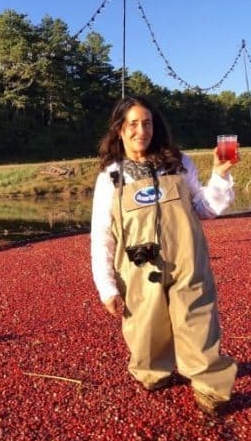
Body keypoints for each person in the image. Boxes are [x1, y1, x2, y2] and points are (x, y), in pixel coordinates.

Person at [90, 95, 238, 414]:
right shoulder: (111, 176)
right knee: (144, 326)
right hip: (138, 268)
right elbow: (101, 235)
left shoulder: (179, 162)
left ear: (155, 127)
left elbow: (206, 208)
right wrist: (106, 286)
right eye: (132, 124)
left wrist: (221, 174)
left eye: (147, 123)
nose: (140, 130)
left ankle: (211, 387)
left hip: (187, 260)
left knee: (198, 320)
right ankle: (151, 372)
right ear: (119, 129)